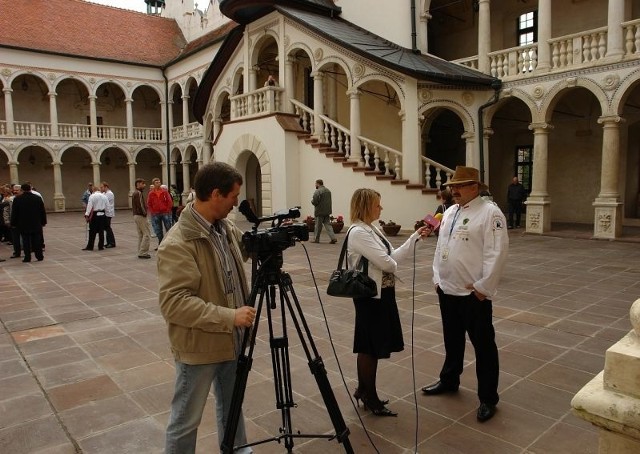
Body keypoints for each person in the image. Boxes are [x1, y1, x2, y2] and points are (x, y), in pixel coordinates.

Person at [157, 162, 256, 453]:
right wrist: (230, 316)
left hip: (231, 339)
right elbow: (174, 304)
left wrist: (272, 237)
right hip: (200, 347)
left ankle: (239, 450)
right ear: (216, 194)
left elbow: (246, 250)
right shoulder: (178, 242)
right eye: (233, 196)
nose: (236, 202)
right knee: (186, 419)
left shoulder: (224, 228)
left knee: (232, 407)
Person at [421, 166, 509, 423]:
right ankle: (449, 380)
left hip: (473, 295)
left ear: (475, 187)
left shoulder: (490, 212)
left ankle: (488, 398)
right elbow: (441, 247)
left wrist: (483, 289)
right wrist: (437, 277)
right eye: (452, 186)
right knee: (452, 340)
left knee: (483, 347)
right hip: (447, 289)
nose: (454, 190)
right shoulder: (449, 211)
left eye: (460, 186)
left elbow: (497, 252)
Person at [347, 188, 432, 417]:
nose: (381, 208)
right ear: (366, 206)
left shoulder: (373, 228)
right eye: (377, 204)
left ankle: (363, 390)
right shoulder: (358, 232)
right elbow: (388, 264)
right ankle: (369, 396)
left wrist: (414, 237)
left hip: (382, 294)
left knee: (369, 345)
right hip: (369, 297)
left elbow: (393, 256)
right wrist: (390, 262)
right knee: (370, 347)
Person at [10, 183, 47, 263]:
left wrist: (13, 223)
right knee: (37, 240)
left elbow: (15, 213)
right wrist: (43, 221)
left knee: (26, 240)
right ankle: (39, 255)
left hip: (23, 223)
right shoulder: (37, 198)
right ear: (30, 189)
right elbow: (42, 211)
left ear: (22, 190)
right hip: (36, 222)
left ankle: (27, 257)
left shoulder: (17, 199)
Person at [147, 178, 173, 246]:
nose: (159, 183)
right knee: (158, 229)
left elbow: (169, 201)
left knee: (168, 227)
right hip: (155, 213)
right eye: (157, 182)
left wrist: (167, 209)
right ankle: (161, 243)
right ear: (154, 184)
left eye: (159, 182)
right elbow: (149, 203)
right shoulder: (151, 193)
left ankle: (169, 243)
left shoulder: (164, 192)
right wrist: (152, 211)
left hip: (165, 212)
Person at [82, 186, 109, 251]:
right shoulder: (104, 196)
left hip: (95, 215)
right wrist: (107, 214)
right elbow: (107, 206)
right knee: (101, 231)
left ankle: (90, 246)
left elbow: (89, 206)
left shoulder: (92, 196)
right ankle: (101, 246)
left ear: (93, 190)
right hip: (102, 215)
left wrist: (87, 214)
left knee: (92, 231)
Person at [311, 179, 337, 244]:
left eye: (315, 184)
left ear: (318, 184)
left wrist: (312, 202)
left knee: (318, 226)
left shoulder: (317, 191)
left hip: (319, 211)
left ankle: (316, 239)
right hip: (327, 211)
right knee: (328, 225)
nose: (315, 185)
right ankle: (333, 238)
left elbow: (315, 201)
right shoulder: (328, 191)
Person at [132, 178, 151, 259]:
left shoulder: (135, 193)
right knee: (147, 234)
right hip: (140, 215)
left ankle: (140, 250)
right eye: (143, 184)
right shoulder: (138, 193)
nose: (144, 185)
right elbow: (141, 205)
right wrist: (145, 213)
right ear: (139, 184)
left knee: (141, 235)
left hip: (136, 215)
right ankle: (143, 252)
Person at [101, 181, 116, 248]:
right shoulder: (104, 193)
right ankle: (108, 242)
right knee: (106, 228)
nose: (101, 189)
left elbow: (104, 201)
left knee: (108, 228)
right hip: (105, 212)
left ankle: (112, 242)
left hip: (108, 213)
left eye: (102, 187)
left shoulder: (109, 193)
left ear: (106, 187)